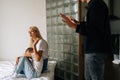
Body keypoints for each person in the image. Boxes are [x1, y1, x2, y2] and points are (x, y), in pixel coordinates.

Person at [59, 0, 113, 80]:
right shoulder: (95, 4)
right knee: (89, 77)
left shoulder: (96, 4)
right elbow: (92, 26)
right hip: (93, 51)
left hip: (95, 51)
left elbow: (94, 30)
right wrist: (77, 23)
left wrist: (74, 26)